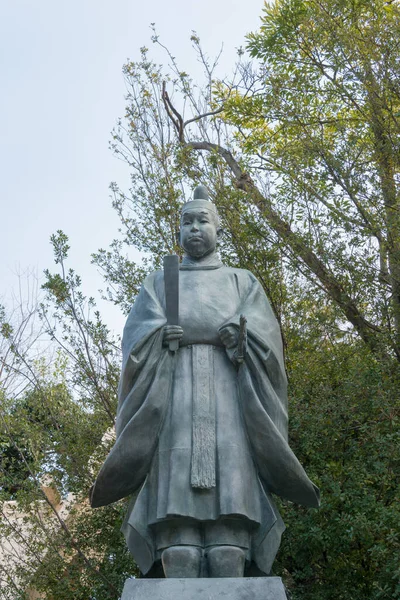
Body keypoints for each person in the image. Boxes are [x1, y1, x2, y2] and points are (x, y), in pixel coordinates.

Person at [90, 185, 319, 578]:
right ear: (178, 231)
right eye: (186, 222)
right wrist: (160, 337)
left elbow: (265, 339)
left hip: (230, 396)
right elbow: (135, 341)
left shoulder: (241, 281)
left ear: (218, 230)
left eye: (202, 221)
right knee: (179, 550)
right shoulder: (161, 282)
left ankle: (231, 541)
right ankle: (176, 543)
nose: (194, 228)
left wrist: (241, 338)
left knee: (227, 549)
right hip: (173, 395)